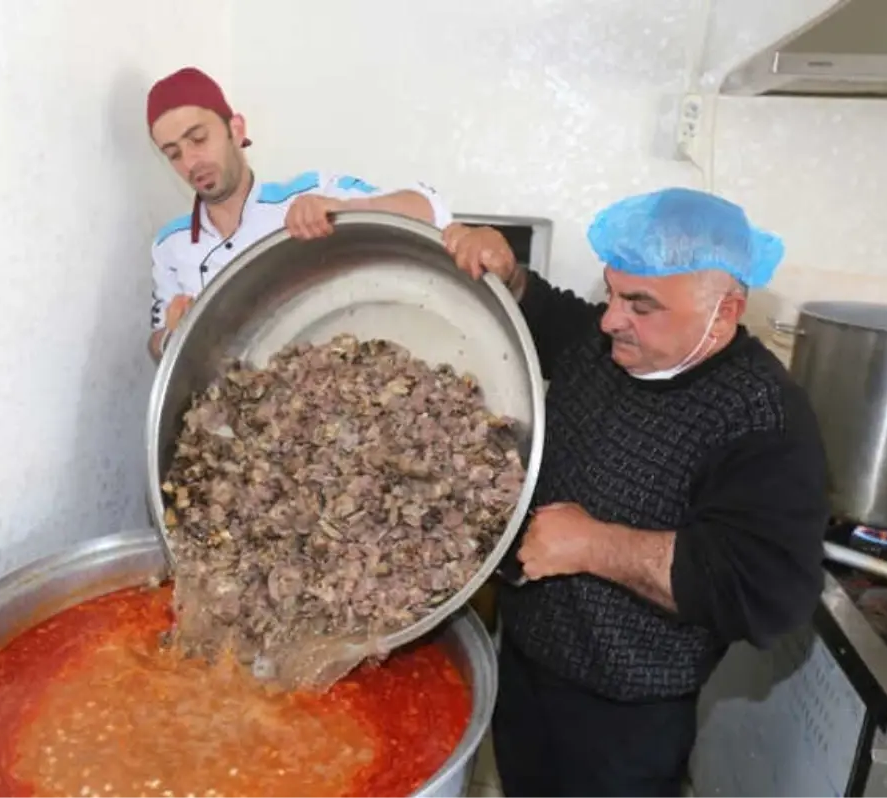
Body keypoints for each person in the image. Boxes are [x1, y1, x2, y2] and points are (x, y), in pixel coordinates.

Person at [444, 188, 828, 798]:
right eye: (611, 292)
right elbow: (552, 318)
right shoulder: (611, 345)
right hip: (524, 666)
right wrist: (512, 276)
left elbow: (760, 589)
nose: (610, 318)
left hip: (623, 715)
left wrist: (595, 546)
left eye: (640, 304)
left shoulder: (762, 418)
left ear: (724, 311)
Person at [145, 67, 452, 360]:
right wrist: (174, 333)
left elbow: (428, 208)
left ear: (236, 130)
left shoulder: (306, 194)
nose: (190, 161)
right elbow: (157, 344)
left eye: (198, 139)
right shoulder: (170, 244)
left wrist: (346, 210)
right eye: (173, 154)